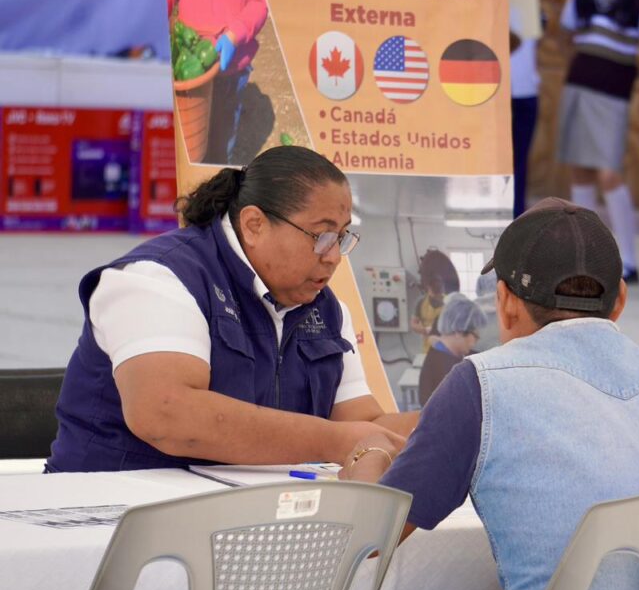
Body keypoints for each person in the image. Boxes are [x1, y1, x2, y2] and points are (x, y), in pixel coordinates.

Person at [342, 198, 639, 590]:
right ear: (620, 301)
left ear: (505, 302)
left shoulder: (480, 386)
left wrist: (368, 453)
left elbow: (371, 541)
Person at [47, 146, 414, 473]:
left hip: (242, 515)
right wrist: (332, 442)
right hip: (112, 511)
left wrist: (445, 423)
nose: (334, 257)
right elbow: (165, 414)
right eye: (322, 236)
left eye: (343, 238)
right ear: (254, 225)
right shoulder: (160, 278)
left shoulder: (326, 310)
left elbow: (363, 426)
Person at [558, 0, 639, 283]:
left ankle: (628, 259)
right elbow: (563, 39)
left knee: (609, 173)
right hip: (578, 89)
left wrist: (627, 68)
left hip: (613, 97)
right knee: (579, 169)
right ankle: (582, 255)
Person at [166, 0, 268, 164]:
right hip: (189, 58)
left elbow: (260, 2)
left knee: (222, 133)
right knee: (188, 137)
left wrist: (234, 34)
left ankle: (219, 166)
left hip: (231, 64)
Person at [418, 293, 487, 405]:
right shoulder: (442, 370)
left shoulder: (447, 354)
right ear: (458, 331)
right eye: (475, 335)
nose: (477, 340)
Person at [510, 0, 541, 217]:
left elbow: (531, 41)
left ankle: (516, 218)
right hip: (488, 91)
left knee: (519, 162)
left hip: (524, 90)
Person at [410, 275, 446, 353]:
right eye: (435, 293)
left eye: (439, 294)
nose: (437, 297)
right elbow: (413, 324)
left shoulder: (449, 302)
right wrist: (425, 330)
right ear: (429, 289)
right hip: (427, 348)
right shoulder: (421, 302)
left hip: (446, 347)